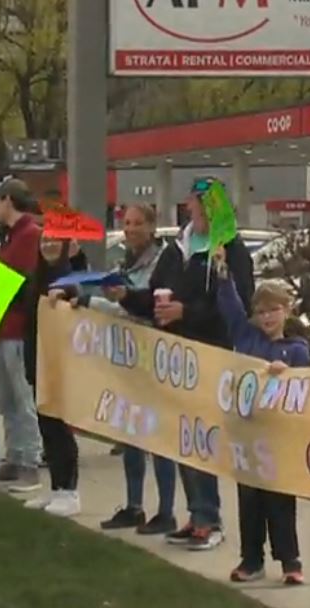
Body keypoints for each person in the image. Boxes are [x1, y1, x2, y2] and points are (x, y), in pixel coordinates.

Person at [115, 177, 255, 551]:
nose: (194, 208)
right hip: (174, 357)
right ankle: (196, 515)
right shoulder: (177, 249)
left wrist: (186, 311)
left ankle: (210, 519)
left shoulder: (231, 250)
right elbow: (156, 296)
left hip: (211, 355)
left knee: (202, 436)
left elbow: (238, 307)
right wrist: (128, 296)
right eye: (193, 202)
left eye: (202, 203)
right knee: (183, 438)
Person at [213, 248, 308, 585]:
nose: (268, 318)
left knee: (280, 502)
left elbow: (305, 389)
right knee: (249, 500)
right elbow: (230, 307)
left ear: (287, 311)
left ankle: (290, 561)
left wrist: (289, 373)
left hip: (280, 440)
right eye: (262, 311)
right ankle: (251, 559)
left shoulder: (297, 349)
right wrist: (222, 272)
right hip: (248, 437)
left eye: (274, 311)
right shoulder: (246, 337)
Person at [90, 204, 178, 535]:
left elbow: (148, 305)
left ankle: (166, 511)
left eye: (138, 224)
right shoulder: (124, 261)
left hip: (154, 355)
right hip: (127, 356)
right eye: (126, 223)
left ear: (153, 226)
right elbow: (119, 305)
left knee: (158, 436)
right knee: (130, 433)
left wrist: (116, 299)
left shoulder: (163, 261)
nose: (131, 229)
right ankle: (134, 505)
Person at [0, 177, 43, 492]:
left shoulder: (29, 235)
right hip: (0, 327)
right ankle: (14, 454)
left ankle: (30, 460)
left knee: (21, 396)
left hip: (16, 327)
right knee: (5, 397)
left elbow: (20, 280)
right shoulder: (10, 238)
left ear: (8, 200)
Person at [23, 236, 82, 516]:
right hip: (38, 361)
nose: (47, 245)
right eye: (43, 240)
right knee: (46, 424)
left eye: (54, 241)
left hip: (62, 365)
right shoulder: (36, 277)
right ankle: (56, 487)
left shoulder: (71, 277)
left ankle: (70, 490)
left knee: (60, 428)